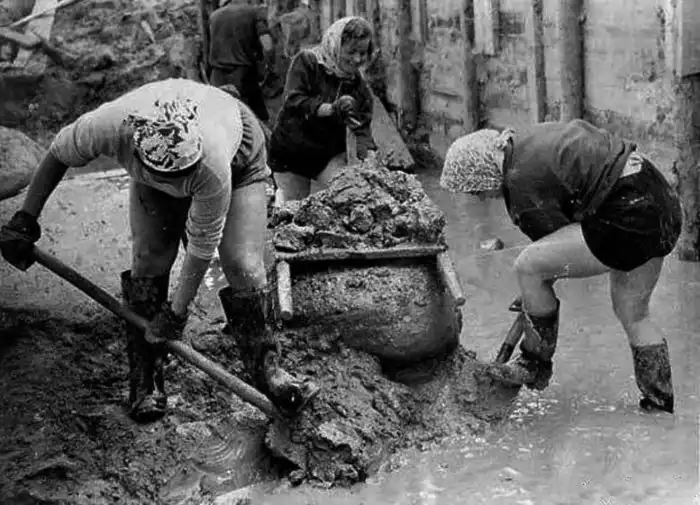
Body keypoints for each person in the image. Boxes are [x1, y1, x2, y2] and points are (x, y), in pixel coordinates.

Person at [0, 78, 318, 423]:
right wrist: (25, 219)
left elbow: (201, 247)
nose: (181, 190)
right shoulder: (108, 126)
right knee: (149, 258)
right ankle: (146, 380)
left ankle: (270, 372)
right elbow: (58, 153)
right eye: (173, 181)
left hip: (238, 153)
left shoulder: (213, 168)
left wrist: (176, 314)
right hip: (156, 169)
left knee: (242, 264)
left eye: (185, 178)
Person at [439, 119, 682, 414]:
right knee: (635, 314)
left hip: (626, 211)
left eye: (475, 191)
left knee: (528, 267)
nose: (479, 198)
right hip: (659, 201)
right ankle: (659, 409)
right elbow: (562, 248)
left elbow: (545, 261)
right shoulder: (528, 140)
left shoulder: (520, 181)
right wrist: (533, 295)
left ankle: (533, 363)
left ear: (481, 172)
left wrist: (533, 293)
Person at [269, 15, 377, 202]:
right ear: (336, 45)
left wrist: (369, 157)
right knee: (292, 209)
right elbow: (293, 101)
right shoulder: (308, 62)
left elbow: (362, 127)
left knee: (349, 198)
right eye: (351, 52)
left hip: (327, 155)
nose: (357, 59)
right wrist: (331, 109)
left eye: (362, 53)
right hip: (292, 151)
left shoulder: (358, 87)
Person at [208, 3, 273, 122]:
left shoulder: (214, 16)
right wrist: (267, 66)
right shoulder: (253, 12)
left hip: (217, 77)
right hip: (244, 77)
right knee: (256, 121)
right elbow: (267, 45)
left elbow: (208, 48)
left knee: (222, 121)